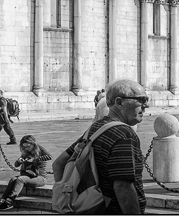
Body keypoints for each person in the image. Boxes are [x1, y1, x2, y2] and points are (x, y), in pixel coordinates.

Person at [53, 79, 148, 215]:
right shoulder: (124, 134)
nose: (146, 105)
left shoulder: (95, 128)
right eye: (141, 100)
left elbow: (58, 164)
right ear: (119, 102)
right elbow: (123, 186)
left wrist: (67, 194)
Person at [0, 135, 52, 211]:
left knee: (20, 179)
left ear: (33, 144)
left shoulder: (39, 149)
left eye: (28, 146)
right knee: (13, 179)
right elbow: (16, 165)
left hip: (40, 177)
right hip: (28, 176)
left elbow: (49, 156)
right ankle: (3, 200)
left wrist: (34, 159)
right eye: (24, 147)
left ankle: (9, 201)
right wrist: (19, 161)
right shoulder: (26, 152)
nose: (26, 148)